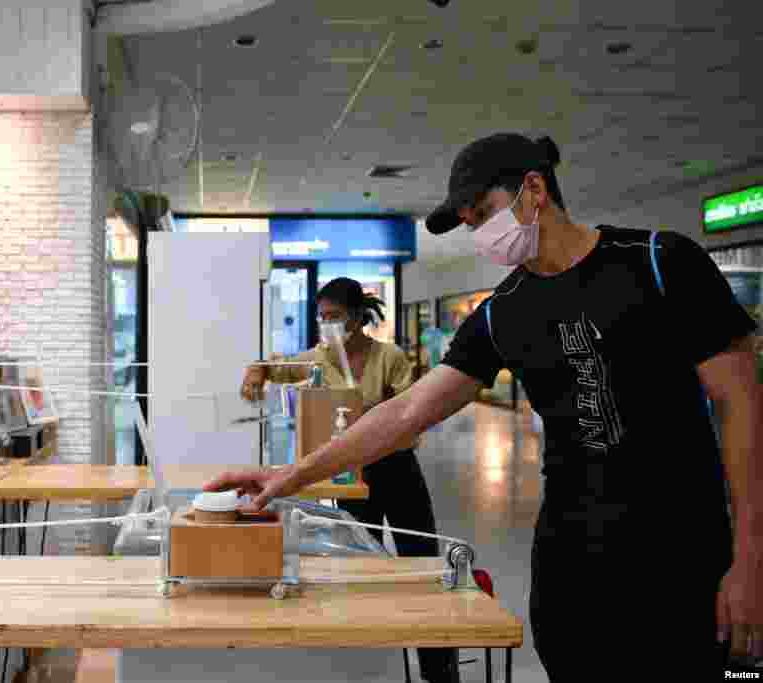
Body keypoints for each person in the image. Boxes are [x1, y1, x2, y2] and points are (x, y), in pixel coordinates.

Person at [211, 133, 763, 680]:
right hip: (572, 567)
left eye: (484, 214)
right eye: (471, 224)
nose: (480, 233)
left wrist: (752, 558)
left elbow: (742, 405)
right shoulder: (503, 314)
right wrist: (292, 474)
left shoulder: (659, 263)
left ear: (534, 189)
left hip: (687, 561)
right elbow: (404, 414)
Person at [241, 277, 460, 683]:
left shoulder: (389, 357)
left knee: (423, 562)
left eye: (335, 317)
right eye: (322, 318)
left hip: (396, 469)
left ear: (358, 316)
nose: (328, 325)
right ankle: (370, 661)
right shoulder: (319, 358)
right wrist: (256, 373)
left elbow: (413, 415)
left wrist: (373, 421)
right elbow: (274, 366)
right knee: (362, 563)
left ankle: (438, 666)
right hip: (349, 473)